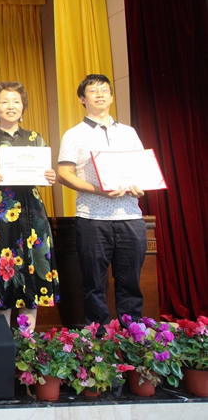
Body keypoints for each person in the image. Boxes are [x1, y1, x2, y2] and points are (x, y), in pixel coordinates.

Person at [0, 82, 59, 329]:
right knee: (1, 274)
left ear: (23, 107)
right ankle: (3, 339)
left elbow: (45, 173)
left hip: (32, 214)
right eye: (4, 101)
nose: (11, 106)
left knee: (33, 271)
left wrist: (50, 176)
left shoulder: (34, 139)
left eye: (16, 101)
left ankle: (28, 340)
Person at [57, 74, 147, 327]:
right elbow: (64, 174)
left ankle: (132, 335)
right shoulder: (73, 135)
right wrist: (98, 190)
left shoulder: (128, 132)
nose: (100, 95)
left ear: (111, 97)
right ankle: (99, 338)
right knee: (93, 283)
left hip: (130, 216)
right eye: (93, 91)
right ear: (82, 99)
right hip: (92, 217)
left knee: (131, 282)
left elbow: (141, 168)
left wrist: (140, 186)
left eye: (105, 90)